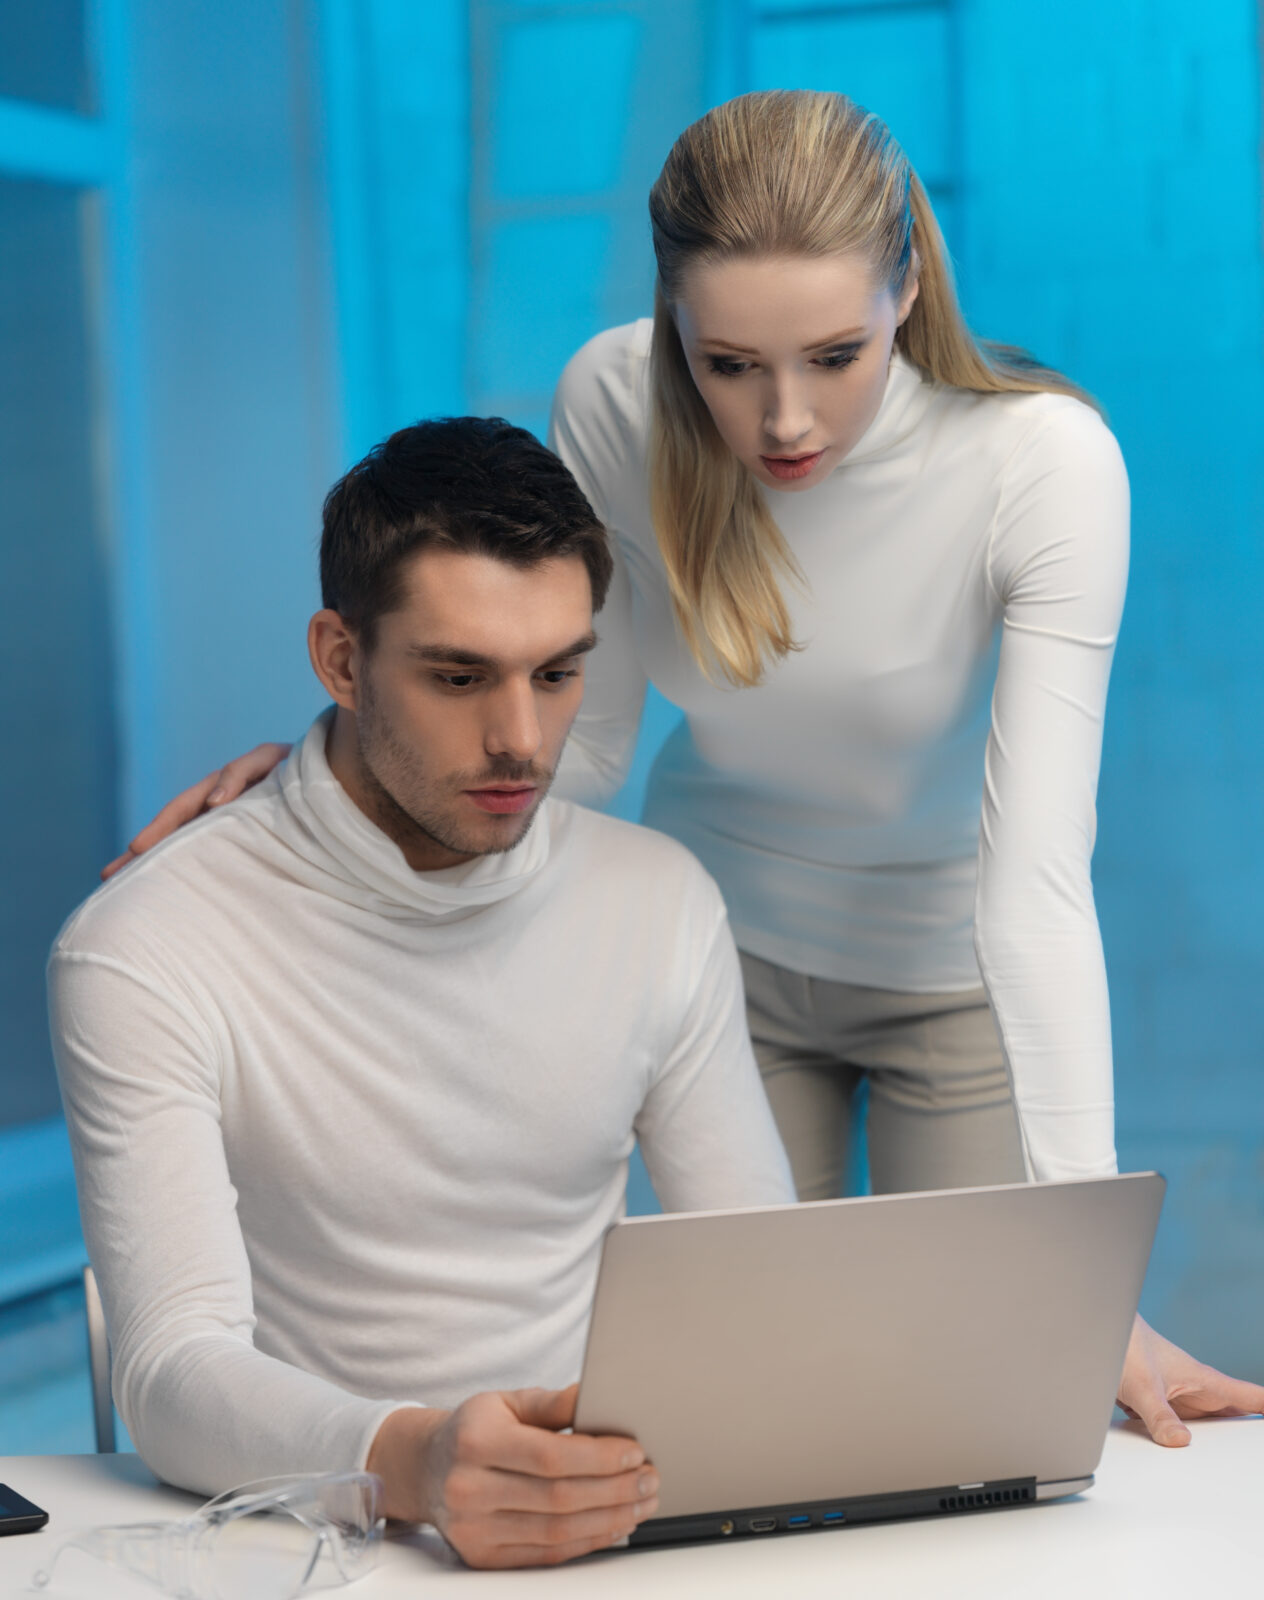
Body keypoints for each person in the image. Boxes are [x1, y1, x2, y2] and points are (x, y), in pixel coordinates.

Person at [103, 92, 1264, 1445]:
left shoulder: (1043, 464)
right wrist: (347, 776)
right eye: (727, 365)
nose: (782, 423)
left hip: (959, 972)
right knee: (766, 1407)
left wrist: (1086, 1274)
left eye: (835, 355)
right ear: (669, 321)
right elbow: (582, 741)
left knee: (1006, 1405)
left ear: (907, 287)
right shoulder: (612, 397)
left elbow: (1038, 875)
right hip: (732, 962)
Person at [50, 417, 796, 1571]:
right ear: (341, 660)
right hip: (321, 1550)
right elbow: (170, 1370)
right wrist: (415, 1460)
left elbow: (761, 1283)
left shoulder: (660, 902)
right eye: (458, 677)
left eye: (558, 674)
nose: (521, 740)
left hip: (611, 1529)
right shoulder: (147, 942)